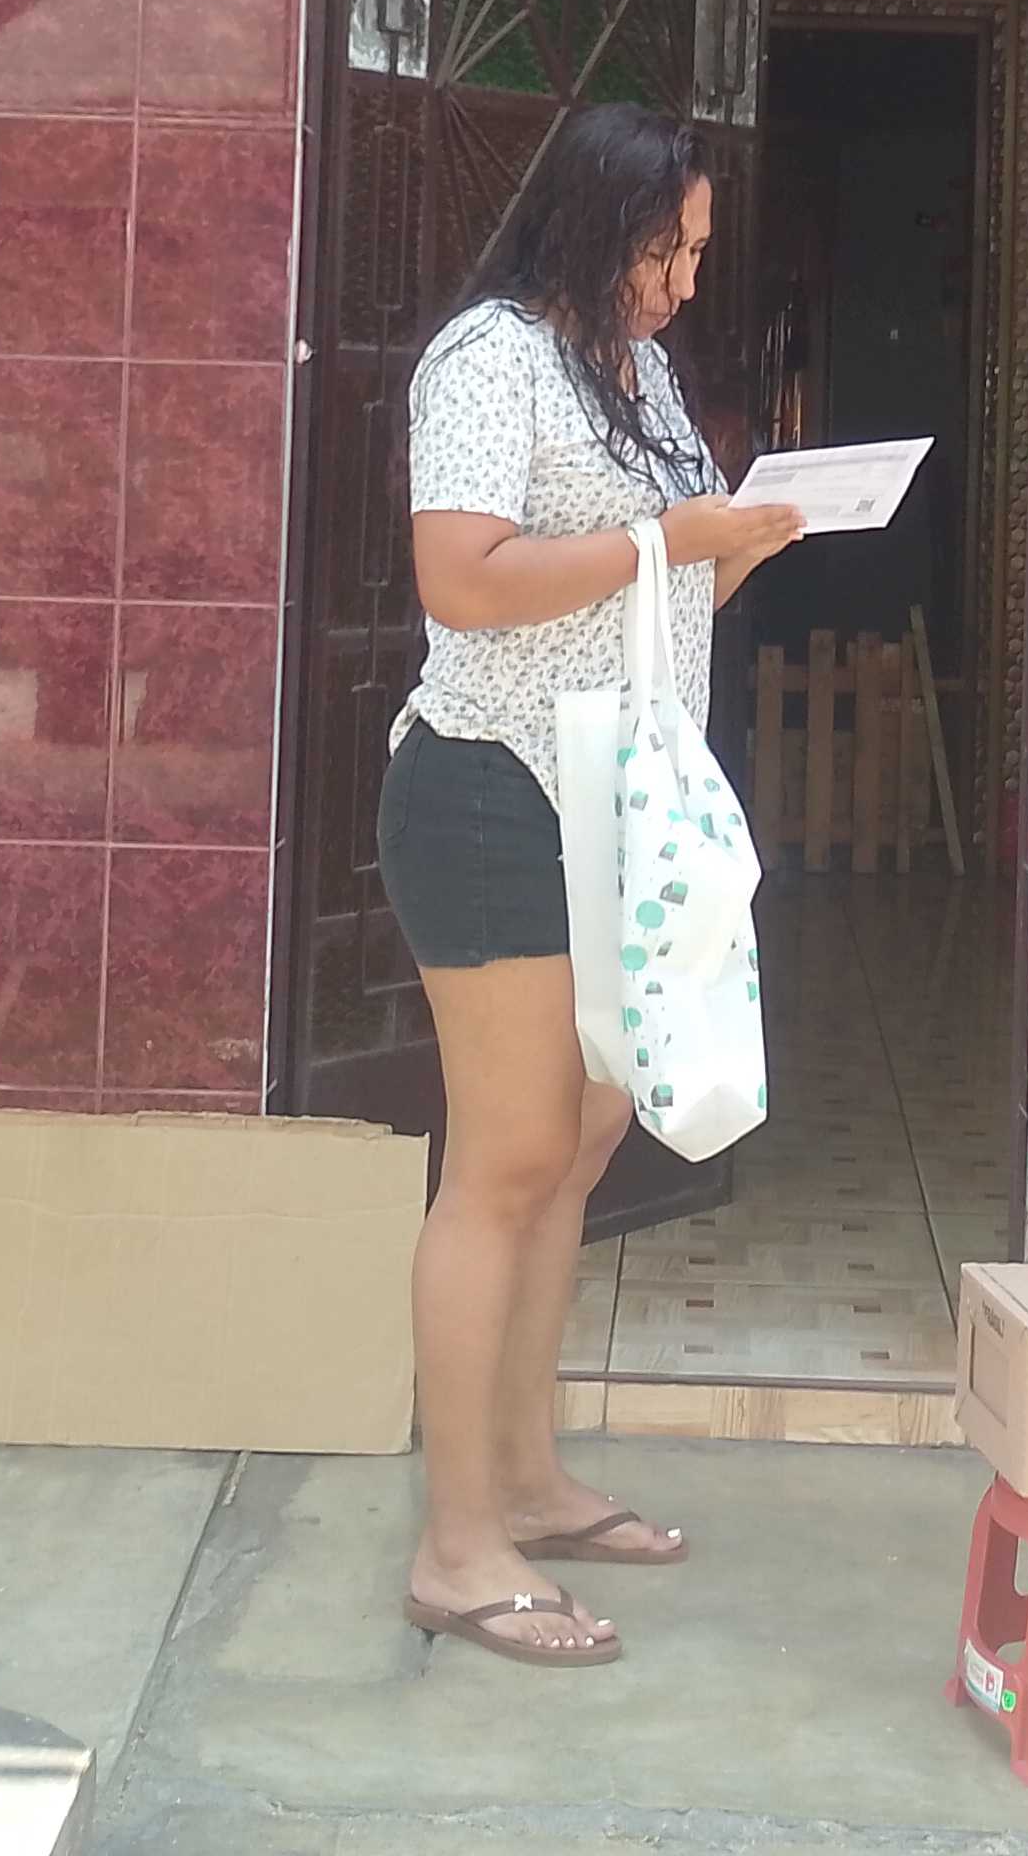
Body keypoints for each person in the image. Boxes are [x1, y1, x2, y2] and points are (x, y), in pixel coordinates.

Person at [380, 102, 804, 1669]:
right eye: (664, 251)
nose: (684, 283)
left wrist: (740, 542)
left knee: (582, 1141)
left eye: (695, 254)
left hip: (623, 798)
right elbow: (461, 578)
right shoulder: (488, 360)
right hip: (495, 790)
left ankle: (529, 1482)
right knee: (503, 1161)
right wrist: (660, 543)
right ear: (590, 225)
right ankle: (455, 1547)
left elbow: (666, 571)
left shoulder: (640, 371)